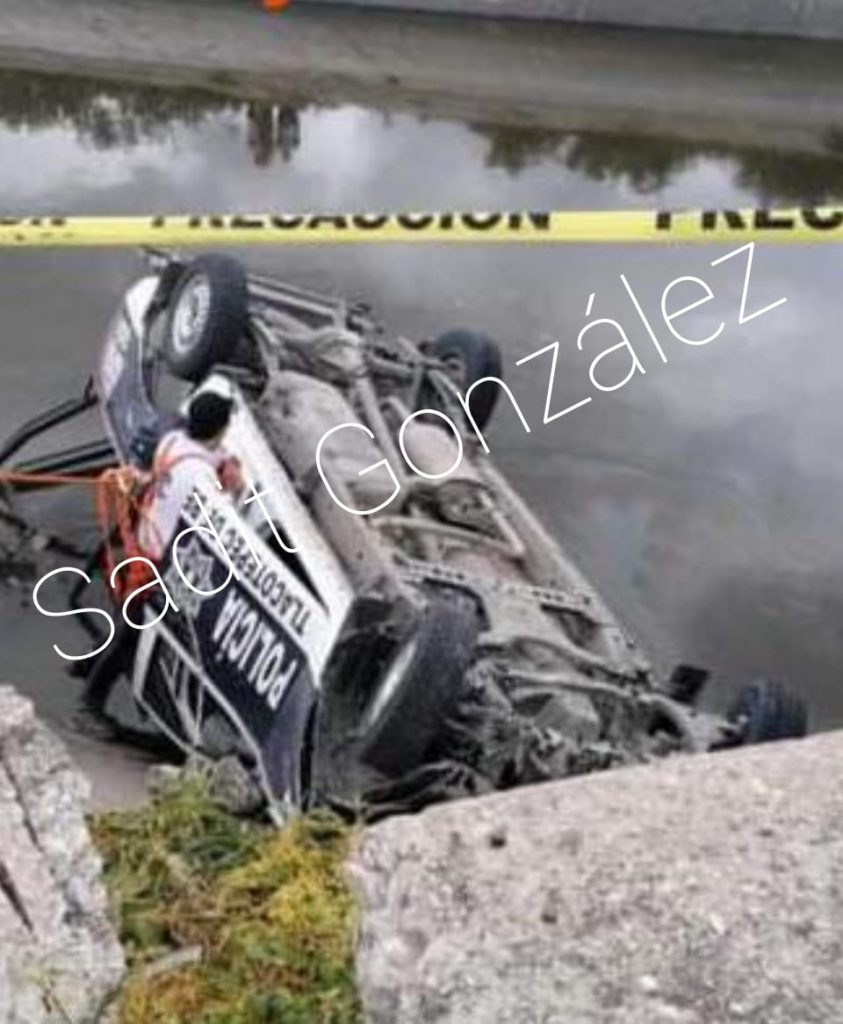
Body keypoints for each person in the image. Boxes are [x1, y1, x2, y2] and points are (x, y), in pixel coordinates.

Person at [73, 390, 241, 740]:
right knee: (129, 635)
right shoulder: (201, 478)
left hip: (144, 543)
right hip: (157, 566)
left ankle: (89, 664)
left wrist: (224, 461)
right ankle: (88, 705)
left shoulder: (175, 442)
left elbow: (209, 455)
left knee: (127, 623)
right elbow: (223, 519)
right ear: (222, 427)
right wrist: (235, 486)